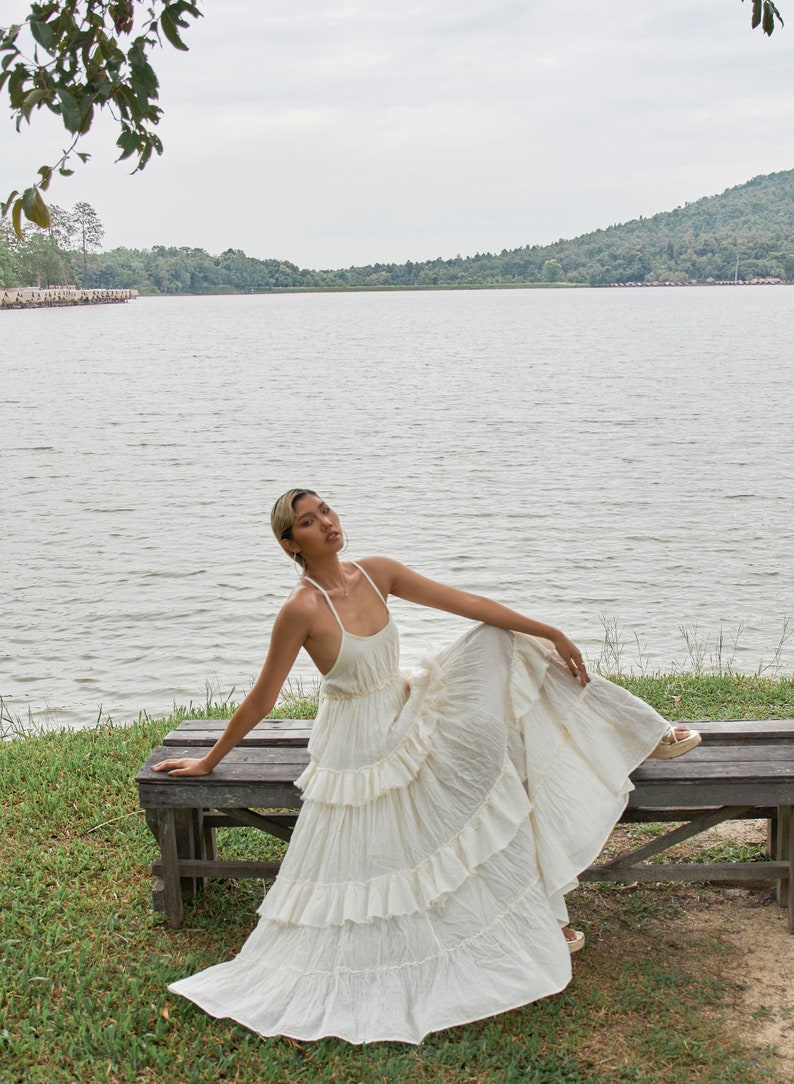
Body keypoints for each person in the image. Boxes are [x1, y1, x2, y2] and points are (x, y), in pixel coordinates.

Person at [154, 488, 700, 1045]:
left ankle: (635, 731)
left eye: (327, 511)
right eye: (308, 522)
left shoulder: (378, 572)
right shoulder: (301, 609)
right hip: (360, 744)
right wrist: (209, 760)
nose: (327, 523)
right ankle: (535, 918)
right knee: (468, 796)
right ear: (291, 543)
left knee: (504, 640)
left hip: (406, 706)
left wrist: (550, 629)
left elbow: (469, 605)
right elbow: (262, 698)